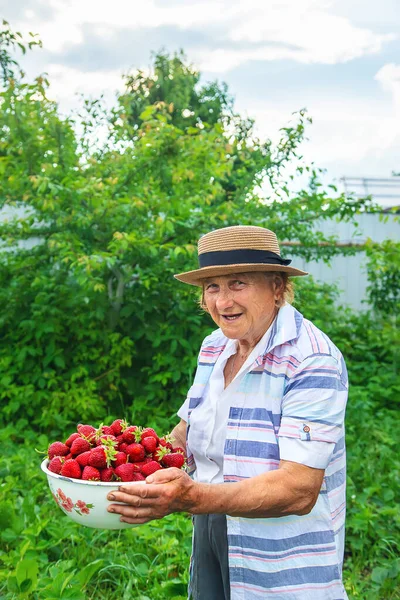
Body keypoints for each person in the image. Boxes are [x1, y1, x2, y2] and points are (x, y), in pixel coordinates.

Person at [107, 225, 349, 600]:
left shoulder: (310, 358)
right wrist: (124, 464)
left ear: (277, 287)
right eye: (212, 287)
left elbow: (299, 490)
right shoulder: (215, 345)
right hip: (211, 523)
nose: (222, 302)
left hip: (280, 551)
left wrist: (190, 498)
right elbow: (186, 432)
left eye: (237, 283)